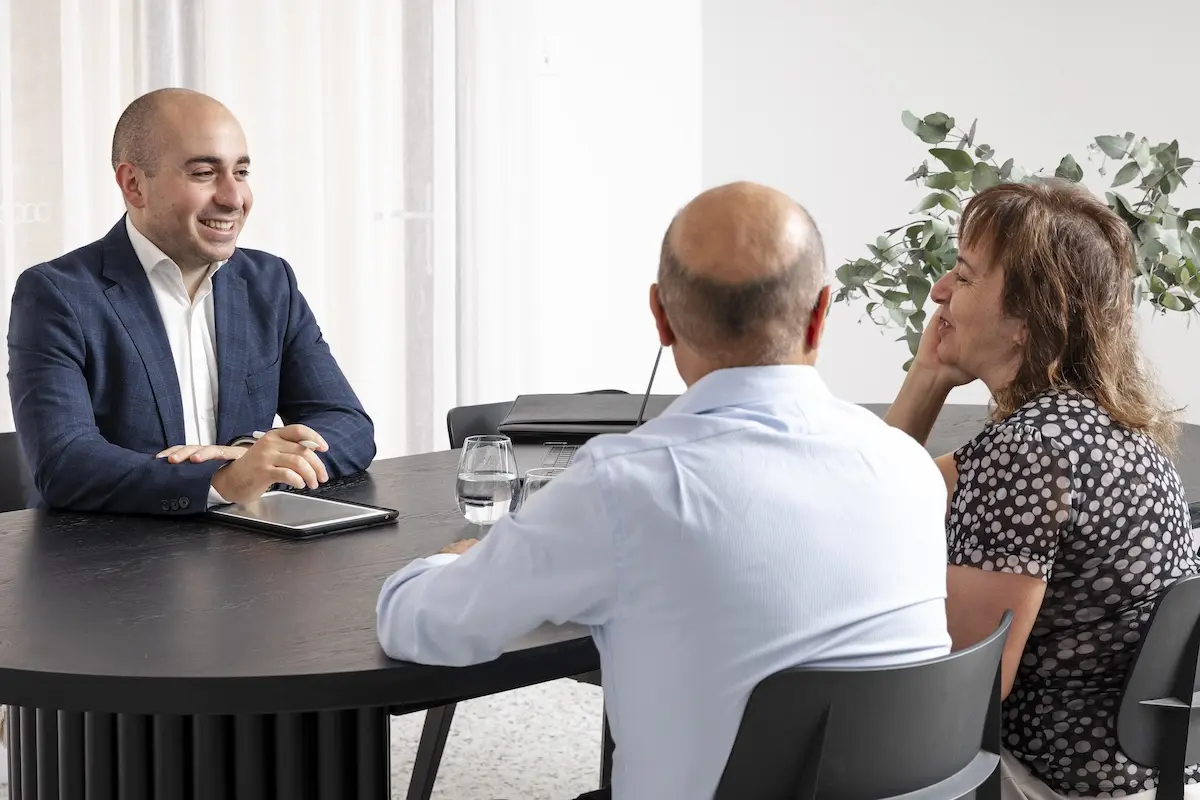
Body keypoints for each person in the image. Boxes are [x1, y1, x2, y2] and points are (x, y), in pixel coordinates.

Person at [376, 181, 953, 800]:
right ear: (820, 313)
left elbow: (422, 626)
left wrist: (453, 562)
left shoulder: (625, 488)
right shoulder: (907, 467)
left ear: (661, 316)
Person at [885, 179, 1200, 799]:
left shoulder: (1030, 451)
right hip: (1146, 778)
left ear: (1027, 319)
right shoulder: (1103, 426)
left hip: (1050, 783)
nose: (940, 291)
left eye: (965, 277)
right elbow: (881, 498)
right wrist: (929, 374)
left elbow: (961, 695)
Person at [6, 88, 375, 514]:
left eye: (241, 172)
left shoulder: (270, 282)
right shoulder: (56, 294)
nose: (234, 198)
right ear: (133, 185)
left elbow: (349, 426)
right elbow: (65, 463)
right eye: (204, 173)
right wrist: (220, 481)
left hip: (254, 544)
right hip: (117, 551)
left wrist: (249, 457)